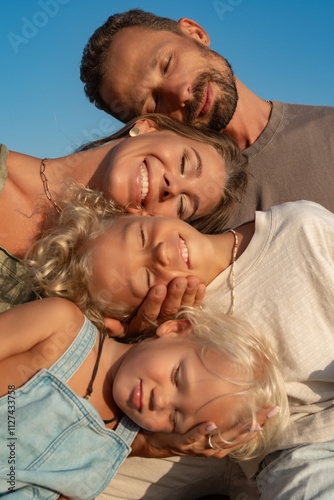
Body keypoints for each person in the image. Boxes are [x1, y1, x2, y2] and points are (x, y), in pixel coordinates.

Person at [27, 187, 334, 499]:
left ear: (141, 213)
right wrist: (149, 445)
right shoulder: (154, 373)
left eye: (142, 237)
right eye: (146, 280)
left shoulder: (301, 237)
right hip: (209, 449)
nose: (160, 255)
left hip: (312, 444)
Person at [0, 295, 286, 499]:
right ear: (176, 329)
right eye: (177, 377)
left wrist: (154, 445)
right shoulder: (61, 326)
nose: (160, 401)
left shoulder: (106, 454)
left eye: (175, 417)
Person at [80, 8, 334, 227]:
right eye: (154, 101)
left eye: (168, 63)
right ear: (149, 126)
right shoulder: (176, 226)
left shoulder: (327, 128)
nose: (180, 92)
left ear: (195, 33)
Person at [0, 115, 247, 336]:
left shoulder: (91, 311)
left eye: (182, 206)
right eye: (184, 163)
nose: (173, 187)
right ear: (148, 126)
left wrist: (128, 339)